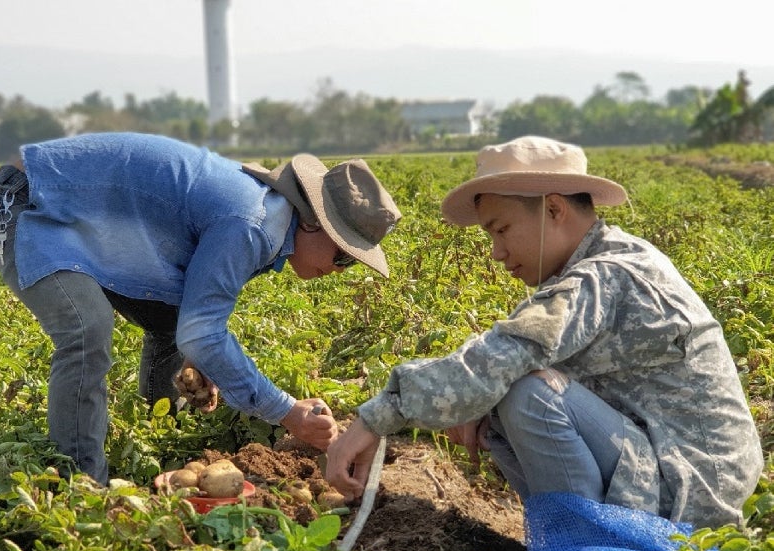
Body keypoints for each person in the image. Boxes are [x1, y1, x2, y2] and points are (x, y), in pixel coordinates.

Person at [326, 135, 762, 529]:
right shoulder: (612, 259)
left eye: (502, 230)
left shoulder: (604, 276)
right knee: (504, 394)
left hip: (691, 494)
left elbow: (506, 352)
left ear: (554, 209)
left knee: (528, 392)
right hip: (681, 474)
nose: (497, 252)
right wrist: (478, 404)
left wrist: (377, 418)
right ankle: (572, 549)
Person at [0, 131, 401, 485]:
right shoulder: (251, 224)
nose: (340, 269)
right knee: (86, 330)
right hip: (31, 202)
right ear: (312, 222)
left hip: (88, 220)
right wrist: (286, 411)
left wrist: (208, 361)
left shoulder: (266, 219)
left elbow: (195, 320)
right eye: (343, 255)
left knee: (171, 319)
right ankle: (81, 484)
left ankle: (159, 427)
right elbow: (203, 331)